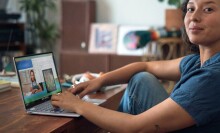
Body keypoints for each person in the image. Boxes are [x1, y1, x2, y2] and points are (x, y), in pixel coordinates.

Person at [51, 0, 220, 132]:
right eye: (190, 8)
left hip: (138, 127)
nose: (194, 17)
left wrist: (77, 105)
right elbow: (145, 66)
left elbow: (136, 127)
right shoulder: (197, 62)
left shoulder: (213, 76)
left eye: (208, 9)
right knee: (141, 78)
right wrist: (100, 81)